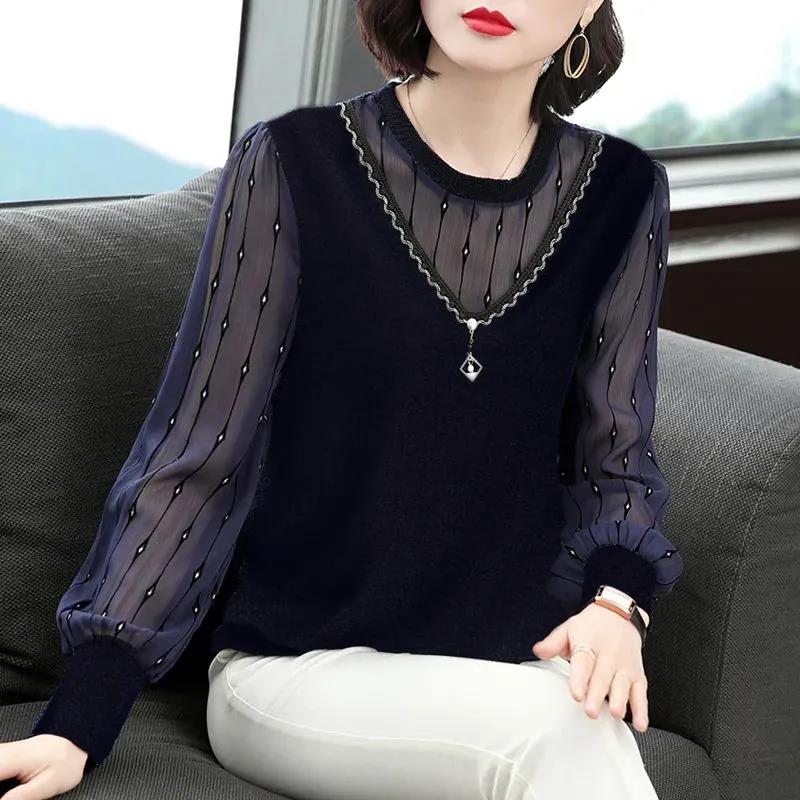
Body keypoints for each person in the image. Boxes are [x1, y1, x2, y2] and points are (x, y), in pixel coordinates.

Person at [1, 1, 685, 798]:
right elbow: (197, 457)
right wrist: (79, 719)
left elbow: (616, 454)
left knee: (576, 726)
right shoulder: (295, 163)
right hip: (295, 667)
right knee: (559, 738)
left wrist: (616, 605)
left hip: (516, 667)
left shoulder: (622, 193)